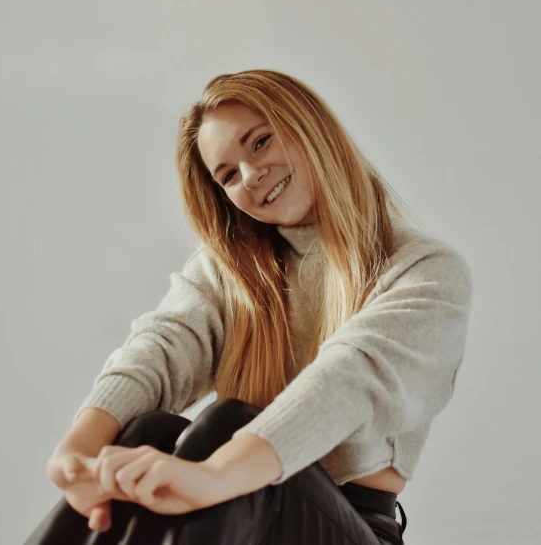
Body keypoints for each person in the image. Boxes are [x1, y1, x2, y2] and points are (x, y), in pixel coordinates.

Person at [30, 69, 473, 545]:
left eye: (260, 142)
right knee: (150, 431)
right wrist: (77, 452)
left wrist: (217, 474)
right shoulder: (233, 271)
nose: (251, 175)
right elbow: (163, 346)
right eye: (228, 175)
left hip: (351, 527)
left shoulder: (425, 270)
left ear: (308, 125)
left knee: (228, 424)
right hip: (235, 523)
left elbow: (349, 380)